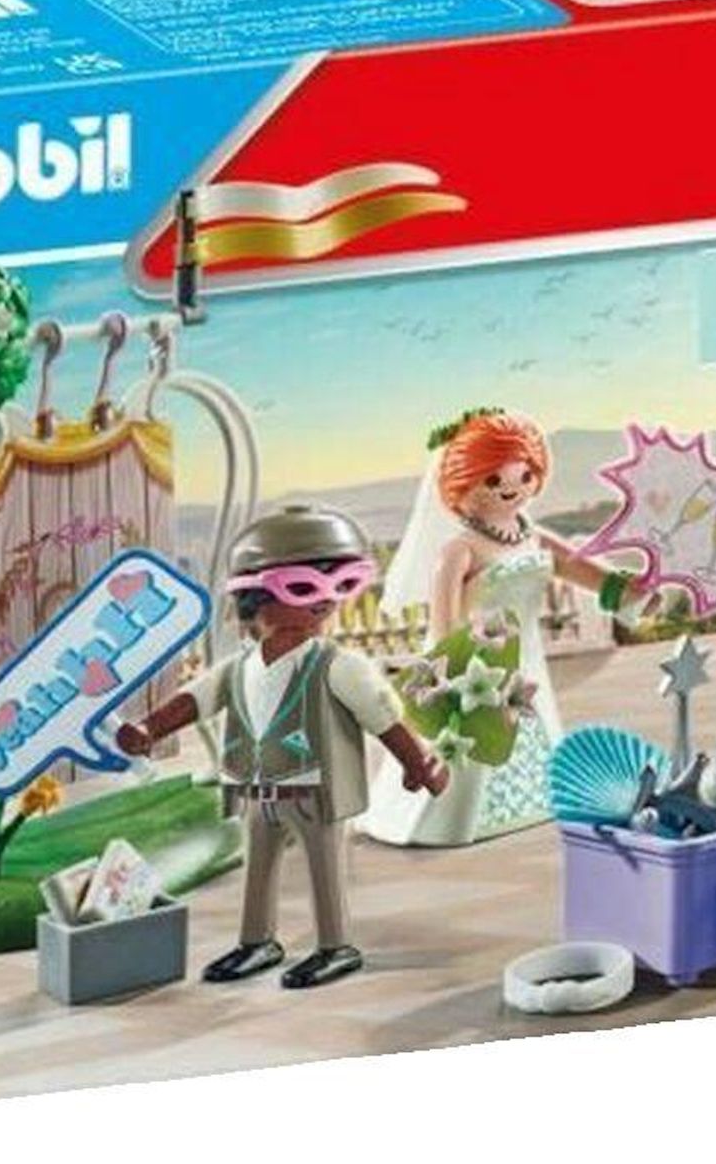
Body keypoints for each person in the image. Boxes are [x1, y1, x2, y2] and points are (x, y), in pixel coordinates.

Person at [116, 505, 446, 990]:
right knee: (259, 867)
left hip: (315, 790)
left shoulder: (338, 665)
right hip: (258, 790)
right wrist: (149, 729)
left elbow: (382, 716)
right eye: (303, 588)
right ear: (254, 599)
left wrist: (417, 763)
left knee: (324, 867)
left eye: (342, 585)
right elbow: (195, 701)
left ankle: (335, 946)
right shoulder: (240, 667)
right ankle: (257, 941)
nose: (325, 602)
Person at [365, 408, 643, 847]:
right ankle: (461, 815)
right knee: (480, 741)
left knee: (534, 724)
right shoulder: (459, 551)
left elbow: (583, 569)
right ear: (461, 485)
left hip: (525, 657)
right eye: (493, 480)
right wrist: (453, 672)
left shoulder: (532, 535)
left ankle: (531, 800)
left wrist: (630, 588)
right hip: (477, 662)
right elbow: (444, 623)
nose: (511, 488)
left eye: (525, 475)